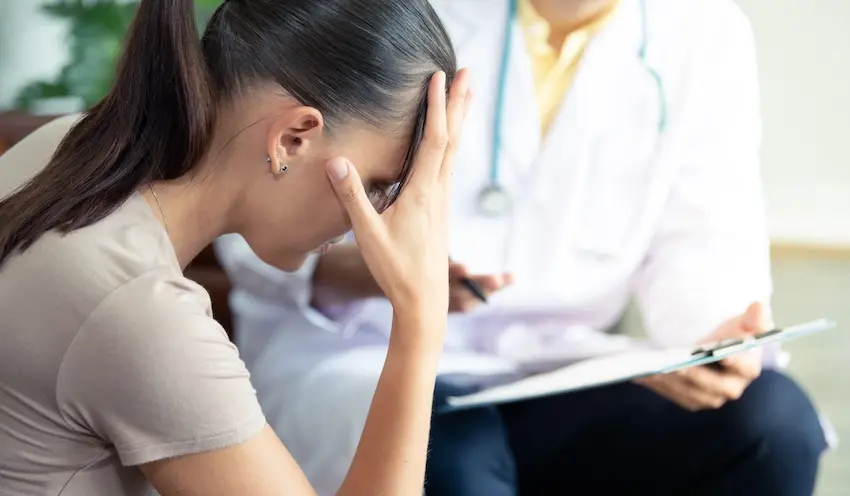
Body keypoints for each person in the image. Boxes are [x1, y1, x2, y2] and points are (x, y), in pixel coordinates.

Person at [215, 0, 830, 494]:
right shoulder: (392, 13)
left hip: (558, 364)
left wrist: (713, 340)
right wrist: (388, 274)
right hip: (360, 354)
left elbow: (703, 243)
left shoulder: (705, 32)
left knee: (774, 423)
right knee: (447, 445)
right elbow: (258, 220)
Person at [0, 0, 471, 494]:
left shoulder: (64, 145)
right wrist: (420, 320)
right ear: (291, 139)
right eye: (377, 185)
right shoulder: (142, 314)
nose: (373, 219)